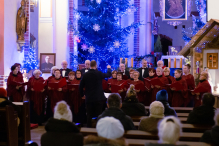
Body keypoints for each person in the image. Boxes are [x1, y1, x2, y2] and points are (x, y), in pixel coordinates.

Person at [79, 60, 112, 127]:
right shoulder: (99, 73)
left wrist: (82, 95)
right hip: (98, 98)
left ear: (90, 65)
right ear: (96, 66)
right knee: (99, 115)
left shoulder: (85, 75)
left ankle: (88, 130)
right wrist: (109, 68)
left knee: (89, 115)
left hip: (89, 98)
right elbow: (108, 74)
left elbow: (80, 86)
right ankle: (99, 129)